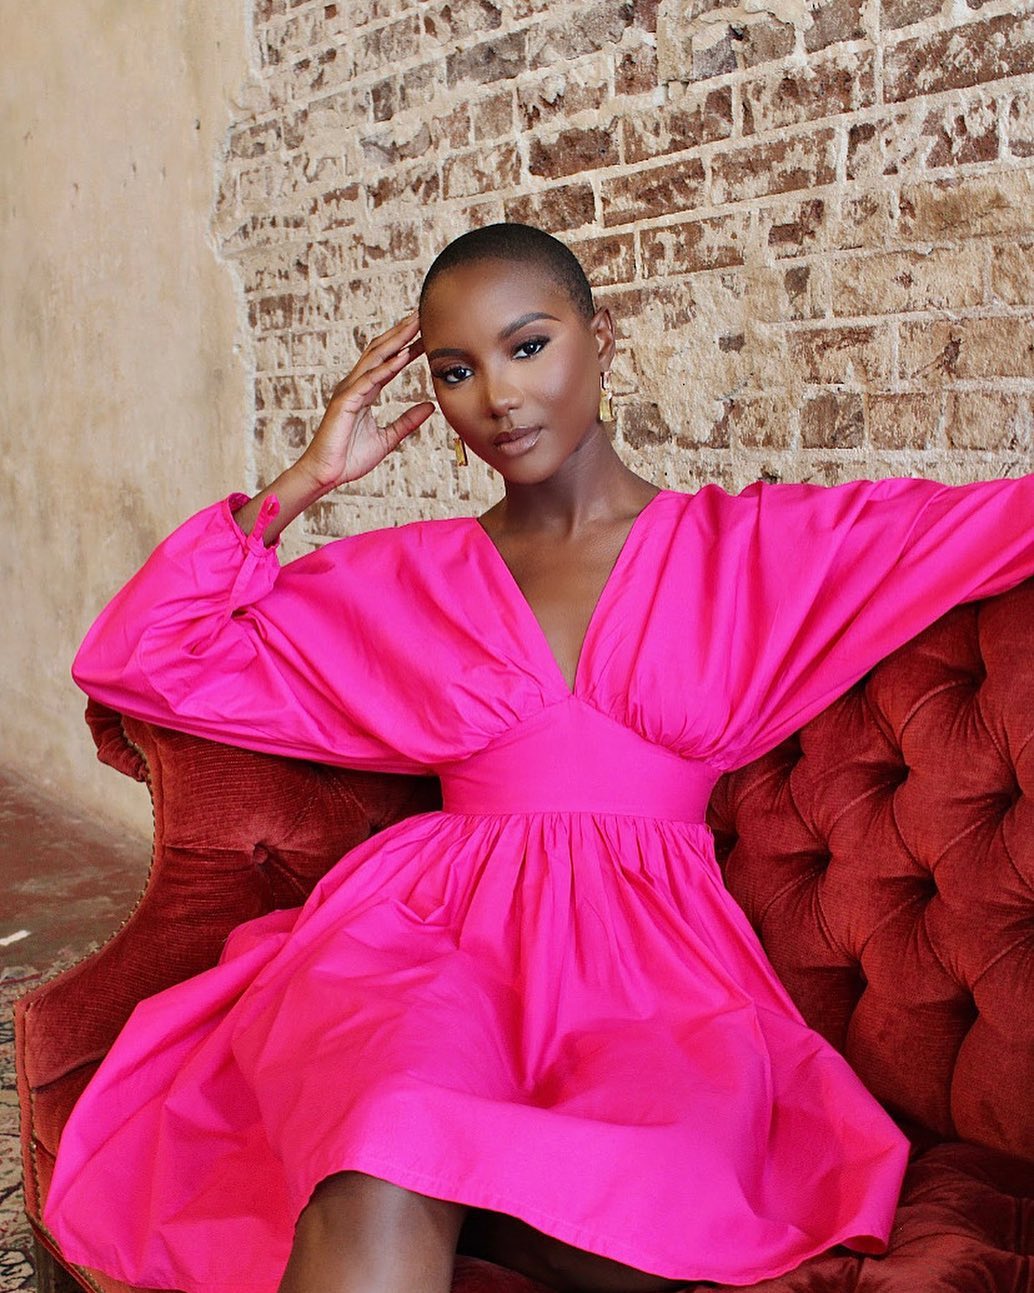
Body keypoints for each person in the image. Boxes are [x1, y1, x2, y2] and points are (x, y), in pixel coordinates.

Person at [44, 223, 1034, 1293]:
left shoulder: (755, 549)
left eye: (527, 347)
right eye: (455, 371)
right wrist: (304, 480)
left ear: (600, 341)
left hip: (647, 972)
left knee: (640, 1219)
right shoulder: (409, 574)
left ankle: (493, 1214)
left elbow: (1005, 520)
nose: (497, 400)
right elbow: (146, 653)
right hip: (422, 945)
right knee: (382, 1146)